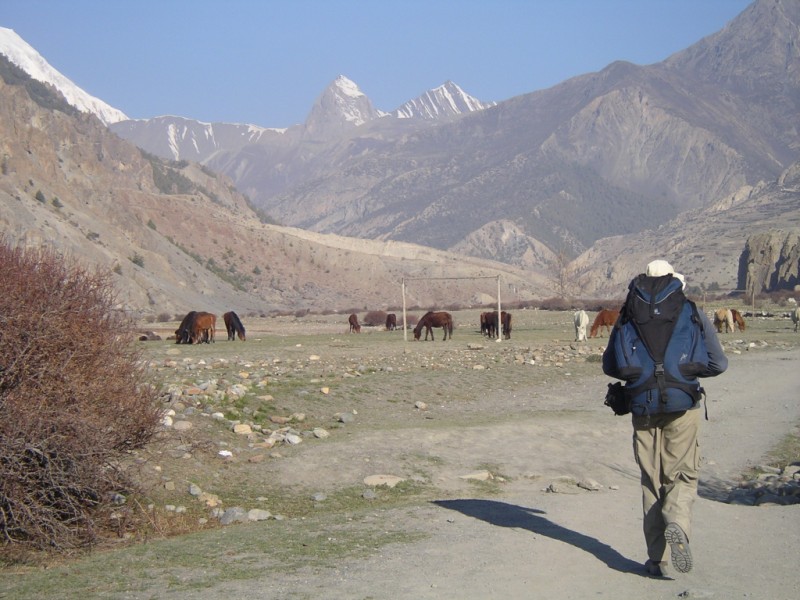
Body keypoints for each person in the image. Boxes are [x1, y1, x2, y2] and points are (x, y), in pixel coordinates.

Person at [604, 259, 728, 578]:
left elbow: (610, 365)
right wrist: (686, 375)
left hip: (641, 406)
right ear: (674, 280)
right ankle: (678, 525)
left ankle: (656, 560)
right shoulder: (690, 310)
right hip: (682, 405)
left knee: (651, 479)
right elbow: (719, 363)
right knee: (682, 473)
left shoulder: (629, 311)